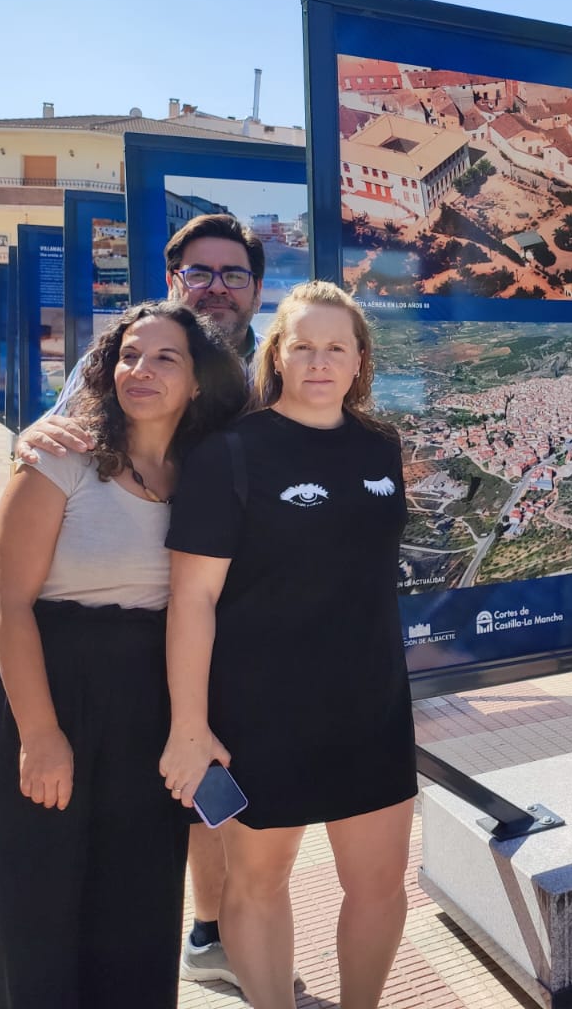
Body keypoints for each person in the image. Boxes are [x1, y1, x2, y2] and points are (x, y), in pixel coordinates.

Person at [14, 210, 269, 986]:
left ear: (257, 289)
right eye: (200, 272)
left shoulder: (273, 369)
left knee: (215, 798)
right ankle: (207, 934)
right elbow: (62, 442)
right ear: (173, 280)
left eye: (233, 274)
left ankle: (218, 934)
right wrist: (26, 439)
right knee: (176, 792)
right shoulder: (126, 358)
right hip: (160, 630)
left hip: (238, 624)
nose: (216, 287)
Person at [0, 302, 248, 1007]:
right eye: (128, 354)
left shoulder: (209, 471)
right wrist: (39, 736)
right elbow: (8, 604)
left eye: (164, 359)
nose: (141, 370)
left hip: (148, 701)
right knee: (37, 915)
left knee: (137, 912)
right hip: (48, 687)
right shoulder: (60, 455)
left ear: (195, 382)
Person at [159, 281, 415, 1009]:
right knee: (259, 884)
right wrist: (190, 726)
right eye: (301, 345)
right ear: (277, 353)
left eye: (336, 346)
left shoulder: (380, 446)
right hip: (262, 714)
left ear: (360, 359)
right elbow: (193, 599)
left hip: (371, 709)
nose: (318, 360)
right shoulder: (232, 453)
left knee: (378, 885)